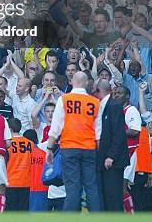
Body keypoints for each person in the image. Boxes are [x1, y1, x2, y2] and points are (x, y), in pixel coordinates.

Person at [45, 71, 102, 211]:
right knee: (91, 187)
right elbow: (99, 132)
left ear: (72, 82)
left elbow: (55, 127)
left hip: (69, 147)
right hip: (89, 148)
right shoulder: (95, 102)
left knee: (72, 187)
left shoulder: (64, 100)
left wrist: (49, 149)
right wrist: (98, 152)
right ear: (87, 83)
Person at [94, 79, 130, 211]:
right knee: (105, 199)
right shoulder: (102, 105)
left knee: (114, 199)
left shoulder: (114, 105)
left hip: (113, 162)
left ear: (99, 91)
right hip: (103, 161)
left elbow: (119, 133)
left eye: (94, 90)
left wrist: (111, 156)